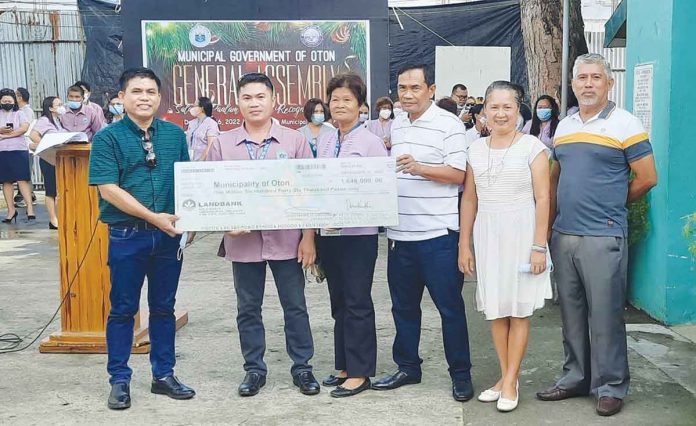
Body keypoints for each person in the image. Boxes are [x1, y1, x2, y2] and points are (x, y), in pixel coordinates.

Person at [536, 53, 657, 417]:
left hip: (603, 235)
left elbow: (648, 177)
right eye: (582, 78)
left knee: (605, 315)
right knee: (571, 314)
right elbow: (556, 177)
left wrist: (612, 206)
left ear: (609, 82)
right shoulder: (565, 126)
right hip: (564, 234)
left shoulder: (626, 124)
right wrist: (547, 228)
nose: (588, 84)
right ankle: (575, 377)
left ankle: (611, 385)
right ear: (572, 84)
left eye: (595, 78)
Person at [206, 72, 320, 398]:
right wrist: (224, 223)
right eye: (247, 97)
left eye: (260, 97)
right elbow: (211, 194)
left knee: (295, 306)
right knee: (247, 308)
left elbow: (308, 193)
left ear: (274, 101)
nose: (254, 103)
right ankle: (254, 369)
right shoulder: (223, 144)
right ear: (237, 102)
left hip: (288, 241)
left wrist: (309, 238)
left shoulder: (295, 141)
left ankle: (302, 368)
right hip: (243, 244)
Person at [88, 67, 195, 410]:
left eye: (151, 91)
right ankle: (119, 380)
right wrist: (153, 218)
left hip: (167, 240)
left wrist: (189, 221)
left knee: (163, 308)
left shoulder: (175, 135)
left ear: (160, 97)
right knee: (123, 309)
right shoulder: (107, 138)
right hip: (127, 236)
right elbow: (109, 190)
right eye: (136, 91)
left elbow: (186, 182)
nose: (144, 97)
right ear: (121, 97)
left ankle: (163, 375)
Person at [372, 64, 474, 402]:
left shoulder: (449, 125)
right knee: (403, 308)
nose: (407, 94)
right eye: (402, 87)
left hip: (438, 237)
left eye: (415, 87)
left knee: (449, 309)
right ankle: (407, 367)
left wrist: (420, 168)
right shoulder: (397, 124)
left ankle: (460, 375)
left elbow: (459, 175)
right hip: (401, 237)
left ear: (430, 89)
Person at [459, 80, 552, 413]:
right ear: (484, 109)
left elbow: (544, 199)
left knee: (519, 309)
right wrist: (463, 245)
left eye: (507, 107)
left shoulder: (532, 148)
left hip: (523, 233)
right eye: (493, 107)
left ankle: (510, 381)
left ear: (518, 109)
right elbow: (469, 199)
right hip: (487, 233)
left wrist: (539, 246)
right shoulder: (475, 149)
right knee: (497, 309)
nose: (500, 113)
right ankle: (505, 376)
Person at [315, 74, 387, 398]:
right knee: (339, 301)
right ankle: (343, 365)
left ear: (361, 105)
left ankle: (360, 372)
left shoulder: (371, 142)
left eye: (347, 100)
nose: (339, 105)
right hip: (329, 233)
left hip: (359, 235)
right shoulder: (328, 139)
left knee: (357, 300)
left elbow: (381, 189)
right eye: (334, 100)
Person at [28, 96, 66, 229]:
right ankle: (52, 219)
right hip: (48, 158)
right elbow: (33, 135)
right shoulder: (44, 120)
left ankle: (60, 216)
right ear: (50, 108)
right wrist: (45, 145)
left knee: (60, 190)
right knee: (51, 190)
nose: (62, 106)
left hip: (59, 159)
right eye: (58, 104)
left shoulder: (59, 120)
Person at [0, 88, 34, 224]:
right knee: (6, 181)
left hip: (18, 149)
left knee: (22, 179)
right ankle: (11, 210)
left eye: (9, 100)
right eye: (4, 101)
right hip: (2, 151)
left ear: (14, 101)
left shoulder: (20, 113)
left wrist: (6, 135)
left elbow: (24, 128)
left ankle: (30, 209)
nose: (7, 102)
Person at [14, 87, 36, 208]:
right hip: (22, 146)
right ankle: (26, 195)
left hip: (26, 146)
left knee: (25, 172)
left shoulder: (26, 111)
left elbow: (24, 127)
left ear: (20, 97)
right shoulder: (20, 110)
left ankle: (28, 196)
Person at [185, 97, 219, 161]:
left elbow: (210, 146)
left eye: (195, 106)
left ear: (202, 108)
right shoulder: (191, 123)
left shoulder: (211, 124)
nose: (192, 108)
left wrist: (200, 162)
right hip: (189, 163)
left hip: (204, 164)